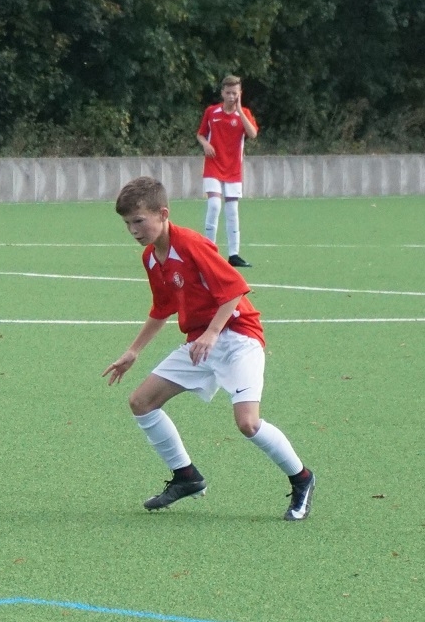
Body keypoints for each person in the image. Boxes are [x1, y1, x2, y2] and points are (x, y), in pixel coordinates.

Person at [102, 176, 315, 521]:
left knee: (247, 423)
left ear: (163, 214)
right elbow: (162, 308)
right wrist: (133, 351)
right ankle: (186, 476)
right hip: (201, 343)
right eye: (127, 223)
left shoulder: (191, 244)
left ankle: (302, 479)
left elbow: (235, 289)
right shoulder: (152, 257)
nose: (133, 230)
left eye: (139, 221)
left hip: (238, 338)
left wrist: (213, 333)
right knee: (141, 402)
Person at [196, 74, 258, 268]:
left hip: (233, 169)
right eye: (228, 92)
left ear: (240, 94)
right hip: (213, 165)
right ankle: (208, 251)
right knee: (214, 205)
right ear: (222, 93)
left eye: (235, 93)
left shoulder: (244, 113)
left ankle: (234, 255)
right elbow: (200, 134)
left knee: (232, 210)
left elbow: (252, 134)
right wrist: (206, 144)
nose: (231, 96)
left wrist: (239, 111)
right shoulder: (211, 112)